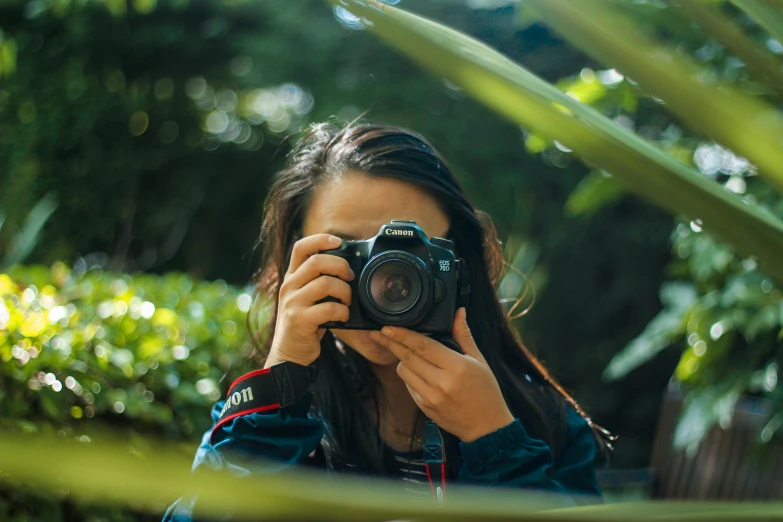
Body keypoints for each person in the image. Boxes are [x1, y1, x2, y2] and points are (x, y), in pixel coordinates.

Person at [163, 121, 609, 521]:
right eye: (349, 250)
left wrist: (494, 439)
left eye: (409, 251)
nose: (383, 279)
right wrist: (281, 380)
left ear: (458, 260)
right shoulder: (272, 417)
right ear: (299, 259)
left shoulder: (544, 422)